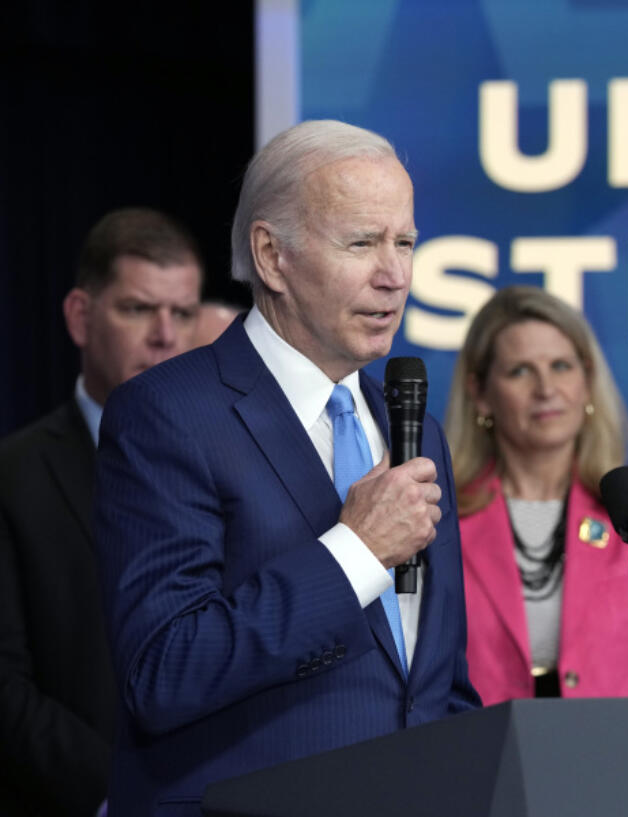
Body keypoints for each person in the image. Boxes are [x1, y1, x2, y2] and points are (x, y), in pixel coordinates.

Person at [92, 120, 481, 815]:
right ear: (272, 257)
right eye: (362, 242)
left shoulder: (410, 428)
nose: (394, 274)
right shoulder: (168, 413)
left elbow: (434, 680)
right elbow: (163, 672)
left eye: (405, 242)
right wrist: (354, 551)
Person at [0, 207, 203, 816]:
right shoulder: (14, 476)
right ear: (81, 318)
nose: (166, 335)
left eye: (184, 313)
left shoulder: (234, 470)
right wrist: (122, 795)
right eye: (139, 309)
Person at [444, 285, 628, 704]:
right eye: (520, 371)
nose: (546, 389)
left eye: (562, 366)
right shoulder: (437, 517)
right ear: (480, 394)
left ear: (587, 381)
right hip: (476, 761)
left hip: (617, 760)